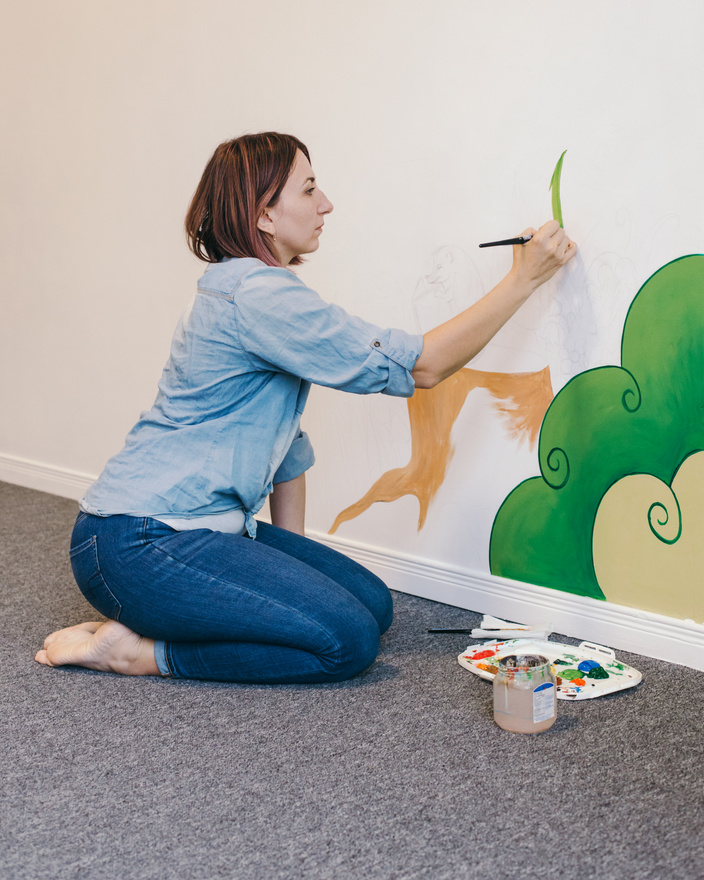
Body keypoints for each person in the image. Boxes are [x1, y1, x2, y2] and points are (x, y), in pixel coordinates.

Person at [35, 132, 576, 683]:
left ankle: (161, 618)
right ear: (264, 215)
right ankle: (138, 654)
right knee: (347, 641)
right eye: (309, 189)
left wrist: (287, 564)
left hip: (196, 529)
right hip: (139, 540)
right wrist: (523, 278)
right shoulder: (259, 296)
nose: (326, 204)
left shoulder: (261, 290)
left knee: (373, 604)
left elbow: (286, 449)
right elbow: (424, 366)